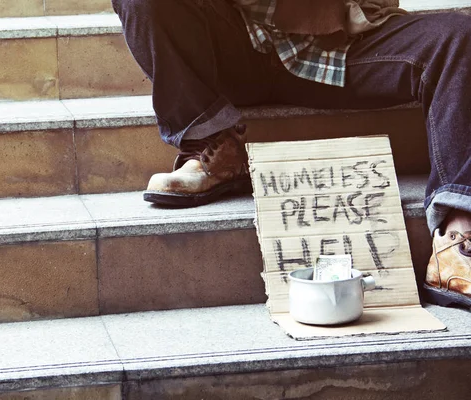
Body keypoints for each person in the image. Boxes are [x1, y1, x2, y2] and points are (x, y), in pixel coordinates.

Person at [111, 0, 471, 309]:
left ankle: (457, 237)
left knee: (458, 35)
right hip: (237, 49)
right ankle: (212, 145)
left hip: (342, 46)